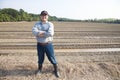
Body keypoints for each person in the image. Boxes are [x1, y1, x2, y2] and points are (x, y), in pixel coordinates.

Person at [32, 10, 60, 77]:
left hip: (48, 44)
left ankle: (56, 70)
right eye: (42, 15)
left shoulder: (50, 24)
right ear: (40, 16)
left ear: (47, 16)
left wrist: (39, 33)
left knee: (52, 58)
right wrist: (45, 32)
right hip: (39, 45)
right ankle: (39, 70)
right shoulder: (37, 24)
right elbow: (34, 32)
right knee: (40, 58)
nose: (44, 16)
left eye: (45, 15)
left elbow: (51, 33)